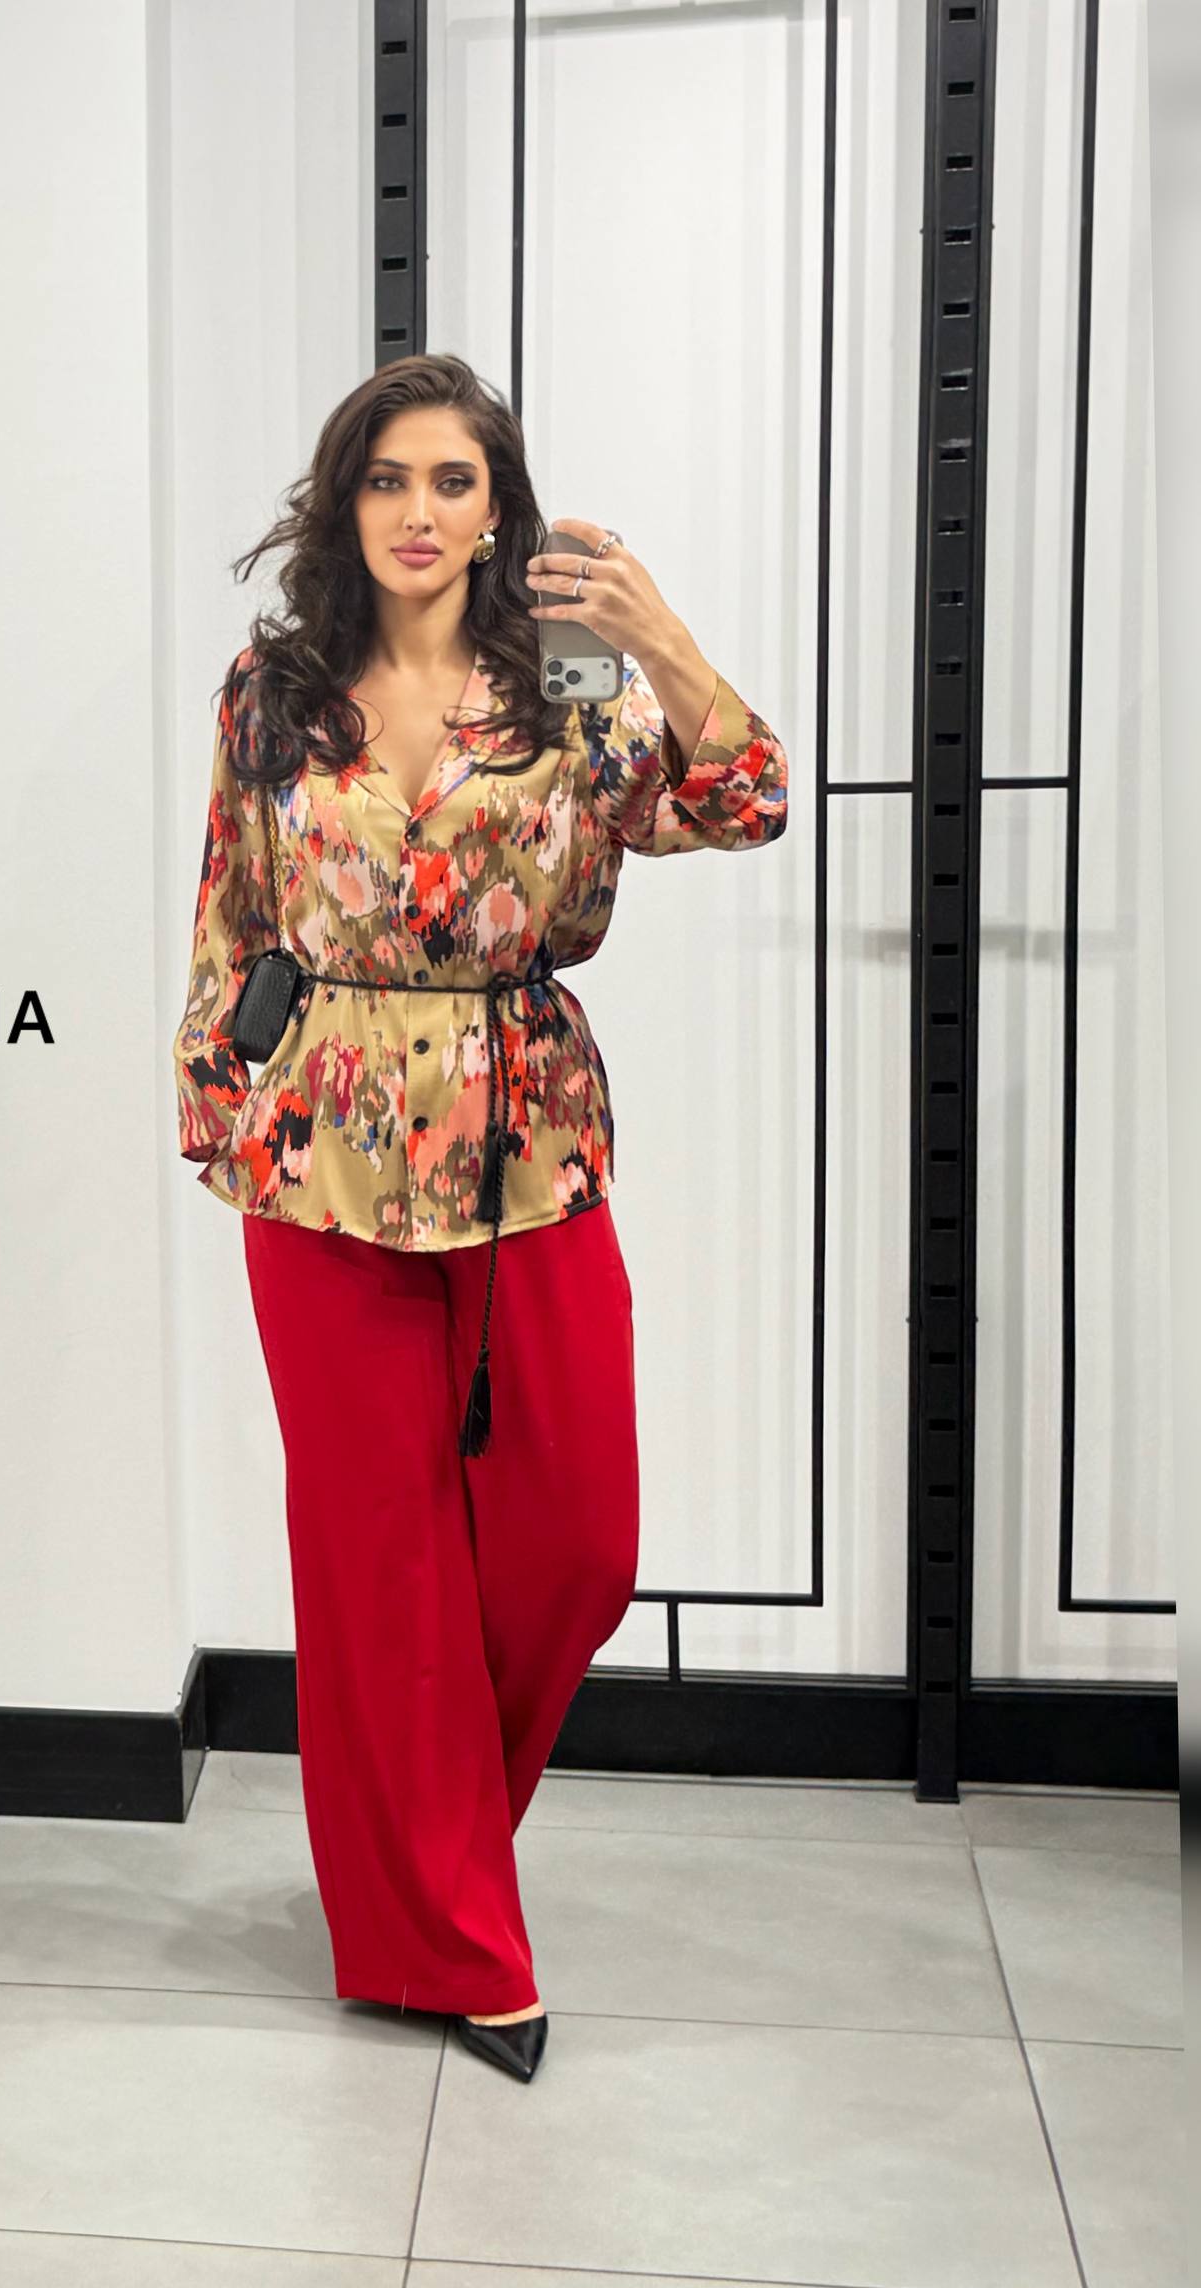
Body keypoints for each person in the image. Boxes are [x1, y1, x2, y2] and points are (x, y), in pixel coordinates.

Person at [172, 353, 788, 2082]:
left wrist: (660, 635)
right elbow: (230, 914)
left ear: (499, 506)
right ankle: (446, 1938)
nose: (420, 512)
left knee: (576, 1540)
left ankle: (424, 1856)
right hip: (321, 1158)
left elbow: (745, 801)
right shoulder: (277, 690)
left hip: (531, 1144)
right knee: (377, 1566)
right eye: (388, 479)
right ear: (344, 503)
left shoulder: (571, 685)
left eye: (454, 480)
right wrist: (218, 1112)